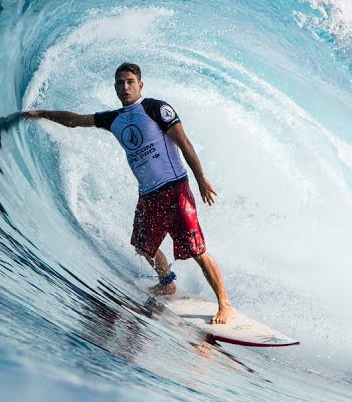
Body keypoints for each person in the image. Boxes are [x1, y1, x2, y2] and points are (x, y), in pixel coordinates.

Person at [20, 62, 234, 324]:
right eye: (120, 82)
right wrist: (41, 113)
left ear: (140, 85)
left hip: (175, 188)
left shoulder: (156, 109)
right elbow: (75, 121)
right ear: (115, 87)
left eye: (130, 81)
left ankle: (224, 303)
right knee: (143, 246)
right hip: (148, 194)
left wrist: (200, 178)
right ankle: (167, 282)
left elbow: (184, 142)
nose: (125, 87)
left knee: (197, 250)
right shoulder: (114, 119)